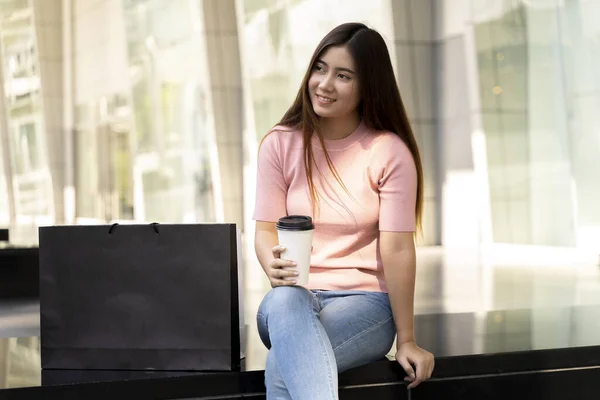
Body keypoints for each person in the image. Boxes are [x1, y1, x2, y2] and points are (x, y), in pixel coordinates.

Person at [252, 22, 435, 399]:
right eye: (319, 68)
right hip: (293, 298)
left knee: (282, 366)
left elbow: (398, 249)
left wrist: (408, 339)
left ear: (369, 85)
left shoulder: (389, 152)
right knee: (285, 301)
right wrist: (271, 262)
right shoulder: (279, 144)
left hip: (366, 303)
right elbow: (265, 230)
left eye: (343, 75)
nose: (324, 83)